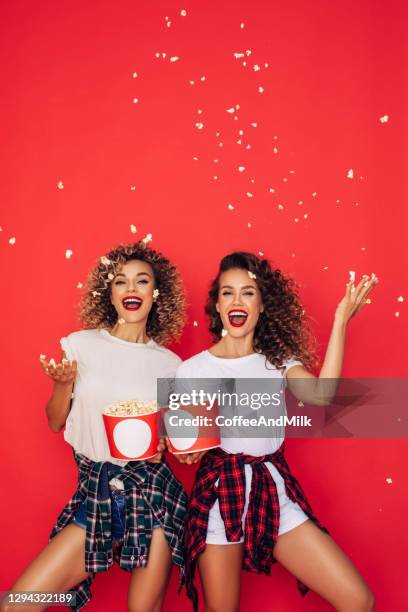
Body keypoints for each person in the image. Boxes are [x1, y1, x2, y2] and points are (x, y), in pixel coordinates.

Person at [172, 251, 378, 612]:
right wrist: (186, 450)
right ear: (217, 305)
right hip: (220, 497)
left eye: (248, 293)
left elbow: (322, 394)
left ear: (262, 305)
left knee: (358, 600)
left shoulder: (277, 363)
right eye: (227, 293)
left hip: (273, 492)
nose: (237, 301)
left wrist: (340, 321)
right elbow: (187, 442)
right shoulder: (192, 371)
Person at [2, 241, 188, 612]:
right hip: (97, 495)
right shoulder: (80, 346)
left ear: (156, 294)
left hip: (153, 498)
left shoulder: (171, 365)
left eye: (141, 281)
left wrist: (168, 444)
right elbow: (55, 421)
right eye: (121, 282)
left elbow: (176, 440)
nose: (131, 290)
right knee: (19, 603)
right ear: (111, 292)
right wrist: (62, 383)